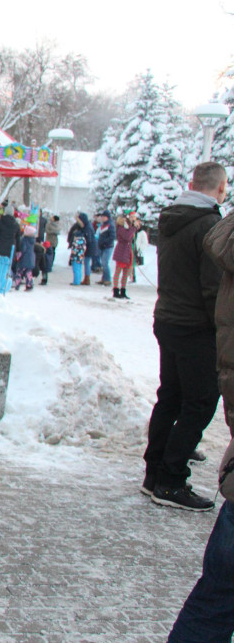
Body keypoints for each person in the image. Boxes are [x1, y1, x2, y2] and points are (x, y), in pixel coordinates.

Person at [142, 161, 227, 511]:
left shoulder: (173, 218)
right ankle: (171, 479)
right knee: (201, 402)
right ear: (221, 189)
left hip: (168, 319)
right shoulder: (209, 224)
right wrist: (221, 329)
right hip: (195, 326)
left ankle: (154, 474)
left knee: (171, 398)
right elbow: (212, 288)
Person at [169, 200, 234, 639]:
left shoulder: (218, 232)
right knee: (190, 405)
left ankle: (164, 471)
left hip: (177, 322)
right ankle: (166, 474)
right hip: (191, 329)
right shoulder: (207, 227)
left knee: (217, 597)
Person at [112, 212, 136, 299]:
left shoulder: (129, 227)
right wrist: (133, 228)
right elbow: (126, 237)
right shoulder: (122, 227)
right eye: (132, 216)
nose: (134, 218)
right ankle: (115, 289)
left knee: (126, 272)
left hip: (128, 251)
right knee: (118, 271)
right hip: (122, 250)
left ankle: (123, 290)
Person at [13, 224, 37, 291]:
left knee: (19, 272)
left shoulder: (24, 240)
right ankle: (29, 285)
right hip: (31, 258)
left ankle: (17, 285)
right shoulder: (32, 240)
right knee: (28, 272)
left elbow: (22, 250)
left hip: (24, 259)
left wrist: (17, 257)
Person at [96, 211, 117, 286]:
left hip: (108, 246)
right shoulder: (103, 225)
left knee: (105, 262)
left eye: (103, 216)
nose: (102, 218)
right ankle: (104, 278)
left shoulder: (110, 225)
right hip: (102, 246)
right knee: (103, 262)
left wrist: (105, 242)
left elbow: (112, 236)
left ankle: (107, 279)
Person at [67, 217, 87, 286]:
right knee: (79, 268)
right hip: (80, 256)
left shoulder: (76, 241)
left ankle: (76, 281)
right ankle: (77, 280)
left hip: (76, 256)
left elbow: (74, 250)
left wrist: (72, 256)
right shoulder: (83, 240)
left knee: (76, 268)